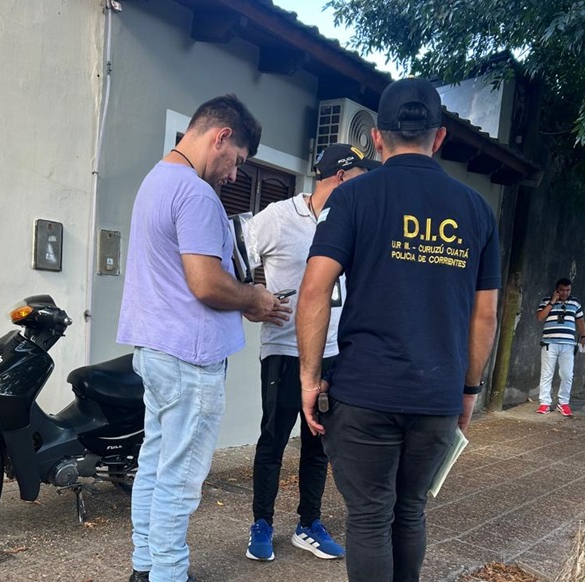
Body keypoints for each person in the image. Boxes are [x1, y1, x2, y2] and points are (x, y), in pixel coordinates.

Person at [296, 78, 501, 582]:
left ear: (376, 138)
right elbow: (485, 316)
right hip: (436, 395)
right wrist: (468, 391)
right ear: (440, 137)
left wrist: (308, 379)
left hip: (365, 392)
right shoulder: (477, 209)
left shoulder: (353, 196)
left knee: (370, 517)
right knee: (409, 511)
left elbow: (314, 289)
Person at [117, 94, 290, 582]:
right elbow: (207, 283)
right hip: (189, 359)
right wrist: (255, 298)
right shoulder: (196, 194)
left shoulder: (156, 181)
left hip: (156, 349)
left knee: (155, 464)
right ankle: (168, 575)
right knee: (180, 478)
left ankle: (145, 567)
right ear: (221, 137)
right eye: (238, 161)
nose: (234, 174)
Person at [243, 144, 379, 562]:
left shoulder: (354, 221)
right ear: (340, 176)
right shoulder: (279, 217)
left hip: (335, 352)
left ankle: (308, 524)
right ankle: (262, 524)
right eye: (360, 178)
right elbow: (235, 259)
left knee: (319, 442)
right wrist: (252, 299)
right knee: (273, 440)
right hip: (285, 349)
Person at [535, 278, 585, 416]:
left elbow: (580, 321)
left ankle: (563, 403)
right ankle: (544, 403)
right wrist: (552, 302)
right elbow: (540, 317)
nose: (565, 293)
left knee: (567, 375)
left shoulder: (575, 303)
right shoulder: (546, 300)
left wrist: (583, 336)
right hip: (549, 343)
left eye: (568, 290)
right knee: (547, 374)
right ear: (557, 289)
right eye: (562, 290)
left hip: (568, 344)